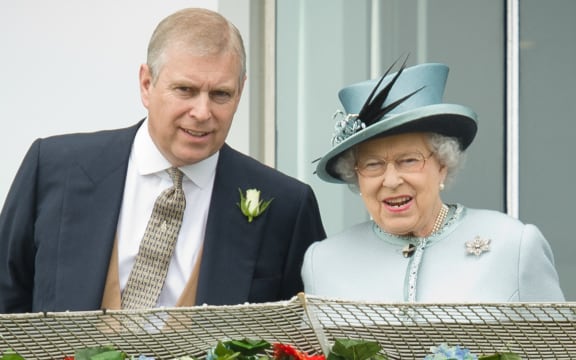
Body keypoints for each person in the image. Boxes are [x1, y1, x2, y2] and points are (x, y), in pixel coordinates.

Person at [0, 8, 326, 313]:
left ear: (240, 92)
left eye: (220, 94)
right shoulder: (54, 169)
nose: (202, 112)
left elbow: (305, 339)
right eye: (185, 90)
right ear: (146, 84)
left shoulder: (287, 207)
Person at [302, 59, 564, 302]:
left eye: (409, 160)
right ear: (356, 176)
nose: (391, 180)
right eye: (373, 165)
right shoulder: (323, 262)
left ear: (442, 165)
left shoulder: (513, 244)